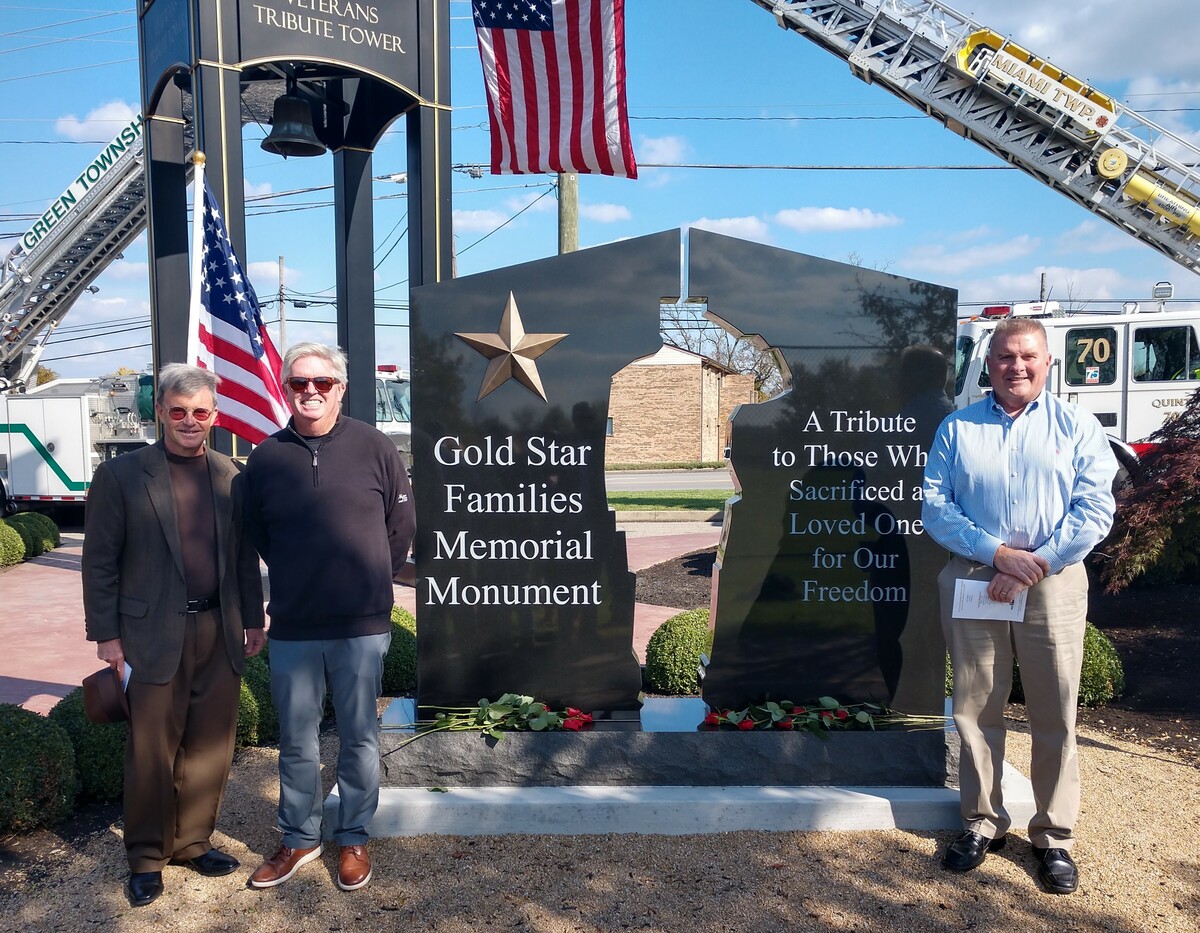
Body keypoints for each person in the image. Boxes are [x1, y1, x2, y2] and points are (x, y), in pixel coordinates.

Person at [922, 317, 1117, 895]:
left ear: (1048, 362)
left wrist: (1038, 562)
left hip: (1051, 583)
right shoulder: (957, 429)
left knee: (1054, 711)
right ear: (989, 364)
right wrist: (999, 554)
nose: (1017, 367)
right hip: (978, 580)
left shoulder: (1077, 425)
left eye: (1028, 356)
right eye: (1005, 357)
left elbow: (1094, 508)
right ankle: (983, 824)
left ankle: (1054, 836)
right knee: (976, 710)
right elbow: (936, 506)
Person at [82, 364, 265, 908]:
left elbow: (242, 559)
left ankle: (192, 842)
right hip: (149, 634)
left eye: (200, 412)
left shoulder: (231, 474)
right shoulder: (122, 476)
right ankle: (144, 856)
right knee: (151, 749)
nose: (190, 421)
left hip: (219, 628)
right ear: (161, 411)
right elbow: (99, 564)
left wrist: (252, 619)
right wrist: (107, 637)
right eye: (178, 410)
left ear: (215, 415)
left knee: (210, 744)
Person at [243, 342, 415, 892]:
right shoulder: (266, 457)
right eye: (299, 383)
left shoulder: (376, 447)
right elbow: (258, 535)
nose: (310, 391)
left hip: (361, 626)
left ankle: (354, 837)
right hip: (294, 626)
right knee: (296, 740)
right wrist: (299, 574)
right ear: (286, 388)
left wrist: (368, 580)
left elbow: (401, 527)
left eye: (322, 381)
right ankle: (299, 837)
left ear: (341, 387)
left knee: (360, 736)